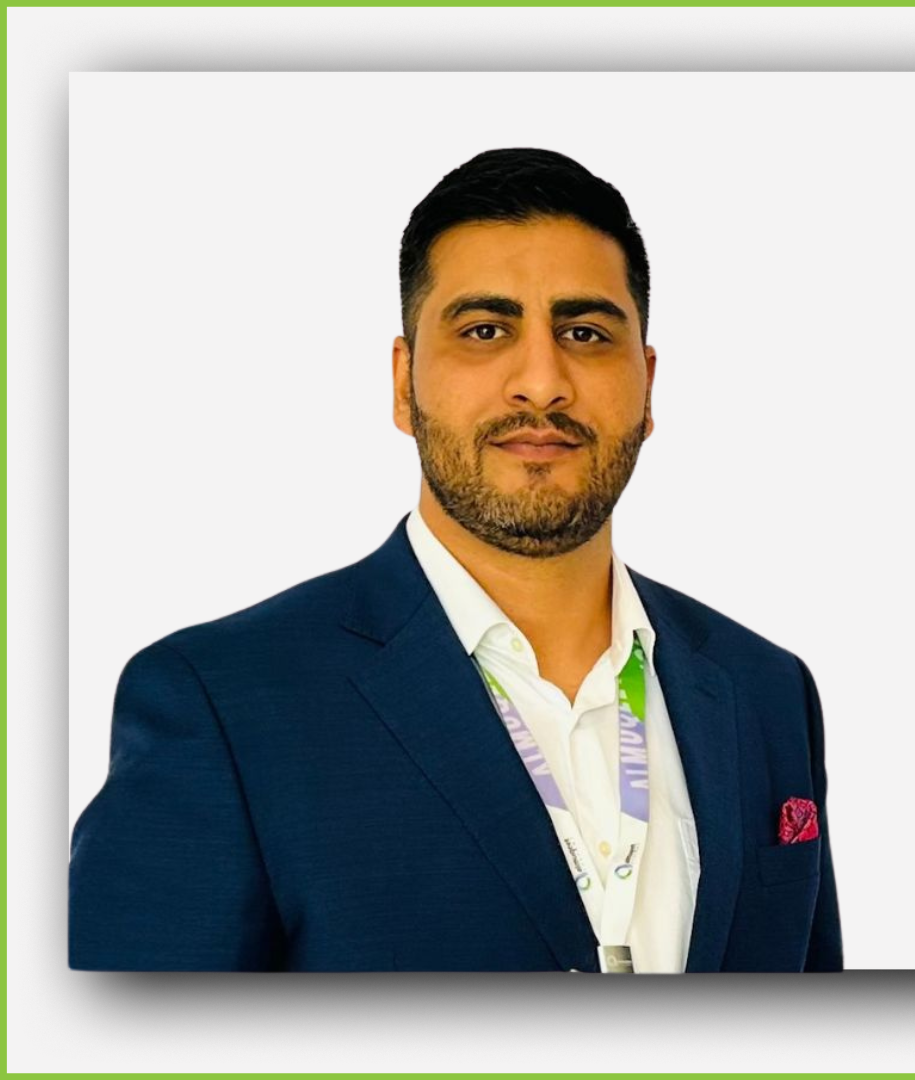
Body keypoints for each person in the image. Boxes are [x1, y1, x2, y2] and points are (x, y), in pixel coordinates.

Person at [69, 148, 842, 973]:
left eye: (584, 333)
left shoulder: (766, 691)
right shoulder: (218, 704)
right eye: (485, 331)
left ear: (647, 386)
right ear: (405, 386)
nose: (541, 382)